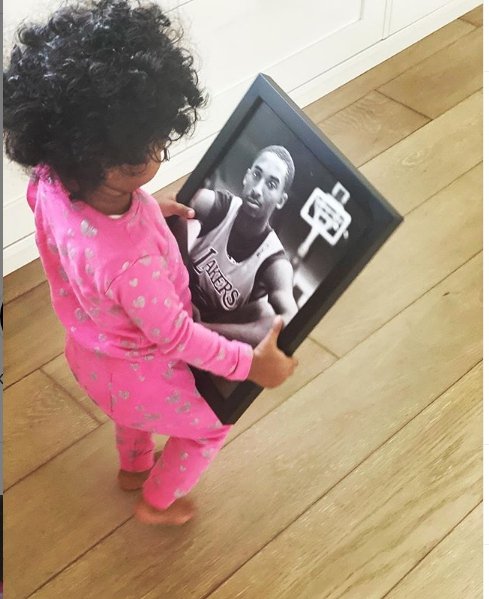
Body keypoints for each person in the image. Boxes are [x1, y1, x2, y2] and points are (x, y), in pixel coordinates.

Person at [4, 0, 298, 526]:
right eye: (153, 142)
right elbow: (177, 338)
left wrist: (143, 207)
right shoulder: (132, 266)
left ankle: (134, 465)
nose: (161, 146)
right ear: (116, 163)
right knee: (210, 425)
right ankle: (156, 501)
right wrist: (249, 365)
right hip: (139, 372)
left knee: (130, 408)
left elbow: (76, 227)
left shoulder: (49, 179)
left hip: (91, 351)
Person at [187, 146, 298, 346]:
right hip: (173, 295)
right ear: (246, 176)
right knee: (185, 219)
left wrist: (201, 328)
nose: (257, 190)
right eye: (257, 175)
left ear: (281, 200)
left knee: (265, 313)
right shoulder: (214, 204)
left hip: (210, 332)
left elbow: (290, 318)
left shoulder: (274, 261)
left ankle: (198, 332)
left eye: (271, 184)